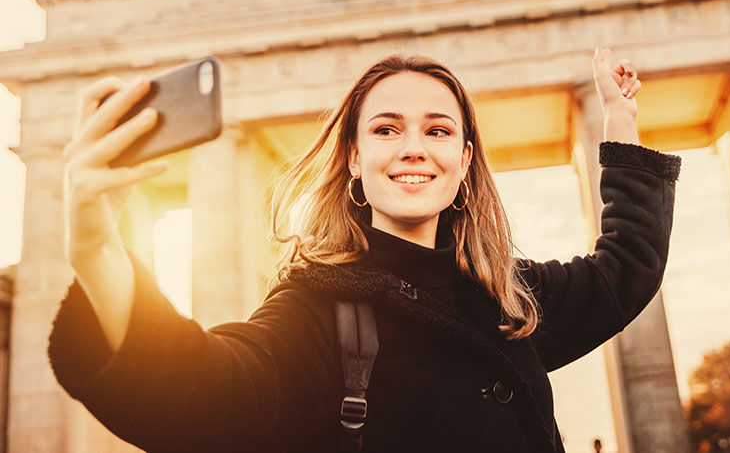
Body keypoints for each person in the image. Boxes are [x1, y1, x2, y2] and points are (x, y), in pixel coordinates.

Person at [48, 48, 681, 453]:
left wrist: (619, 123)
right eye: (386, 129)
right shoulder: (315, 307)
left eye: (437, 130)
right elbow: (209, 390)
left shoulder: (505, 298)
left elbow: (624, 270)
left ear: (463, 162)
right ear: (354, 157)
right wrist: (99, 249)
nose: (413, 147)